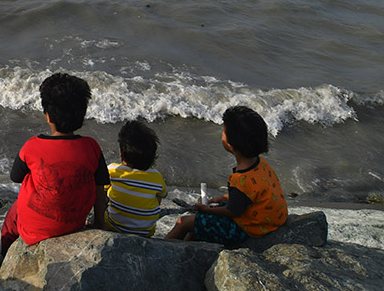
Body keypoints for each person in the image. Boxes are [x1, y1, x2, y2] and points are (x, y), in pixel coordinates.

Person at [0, 72, 110, 256]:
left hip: (34, 232)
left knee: (12, 216)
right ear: (82, 115)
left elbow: (15, 177)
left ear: (48, 116)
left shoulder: (32, 146)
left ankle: (5, 256)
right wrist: (99, 223)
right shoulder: (92, 147)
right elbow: (100, 188)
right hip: (74, 224)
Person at [165, 105, 288, 246]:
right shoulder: (261, 163)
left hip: (246, 229)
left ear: (231, 145)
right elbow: (252, 193)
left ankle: (164, 249)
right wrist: (223, 197)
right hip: (267, 218)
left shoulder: (239, 179)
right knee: (204, 216)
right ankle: (189, 245)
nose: (222, 134)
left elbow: (234, 211)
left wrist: (206, 209)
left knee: (183, 222)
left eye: (224, 132)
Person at [104, 120, 167, 236]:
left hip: (113, 226)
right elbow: (162, 195)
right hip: (146, 232)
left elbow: (102, 187)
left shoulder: (112, 170)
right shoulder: (157, 176)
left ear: (121, 154)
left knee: (107, 189)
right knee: (156, 193)